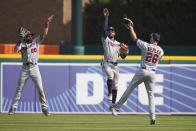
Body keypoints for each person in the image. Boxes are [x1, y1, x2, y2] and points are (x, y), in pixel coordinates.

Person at [110, 17, 164, 125]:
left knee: (130, 89)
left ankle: (117, 107)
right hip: (153, 73)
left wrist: (131, 28)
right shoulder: (161, 51)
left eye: (151, 37)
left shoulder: (147, 46)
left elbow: (134, 39)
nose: (150, 38)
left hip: (143, 71)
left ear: (153, 39)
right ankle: (153, 117)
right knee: (151, 96)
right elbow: (157, 56)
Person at [8, 15, 54, 116]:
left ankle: (44, 108)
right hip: (25, 68)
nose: (30, 37)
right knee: (19, 88)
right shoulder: (21, 44)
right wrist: (20, 40)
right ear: (25, 36)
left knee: (40, 89)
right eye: (28, 35)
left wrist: (47, 22)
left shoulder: (35, 42)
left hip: (34, 67)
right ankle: (13, 108)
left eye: (30, 35)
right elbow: (15, 50)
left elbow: (44, 33)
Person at [101, 8, 128, 105]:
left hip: (116, 65)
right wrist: (106, 17)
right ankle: (109, 93)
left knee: (116, 86)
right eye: (109, 30)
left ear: (115, 33)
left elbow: (123, 56)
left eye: (112, 30)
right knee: (110, 76)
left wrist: (125, 53)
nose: (110, 31)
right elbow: (104, 30)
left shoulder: (119, 44)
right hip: (107, 63)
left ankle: (113, 105)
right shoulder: (106, 40)